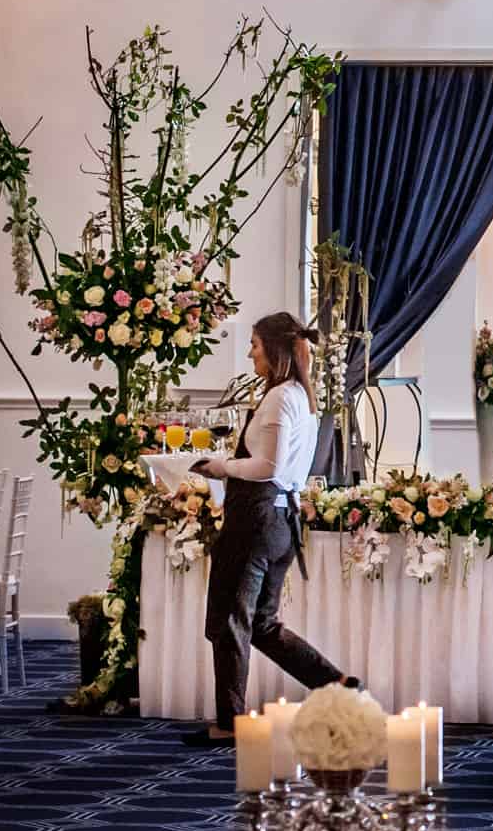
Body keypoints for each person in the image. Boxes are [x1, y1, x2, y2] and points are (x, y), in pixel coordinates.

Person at [181, 312, 351, 745]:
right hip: (282, 520)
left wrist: (218, 466)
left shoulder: (278, 399)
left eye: (255, 344)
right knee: (261, 624)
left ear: (274, 350)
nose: (250, 352)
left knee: (230, 622)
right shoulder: (302, 397)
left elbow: (267, 466)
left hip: (256, 521)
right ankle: (338, 686)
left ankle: (230, 723)